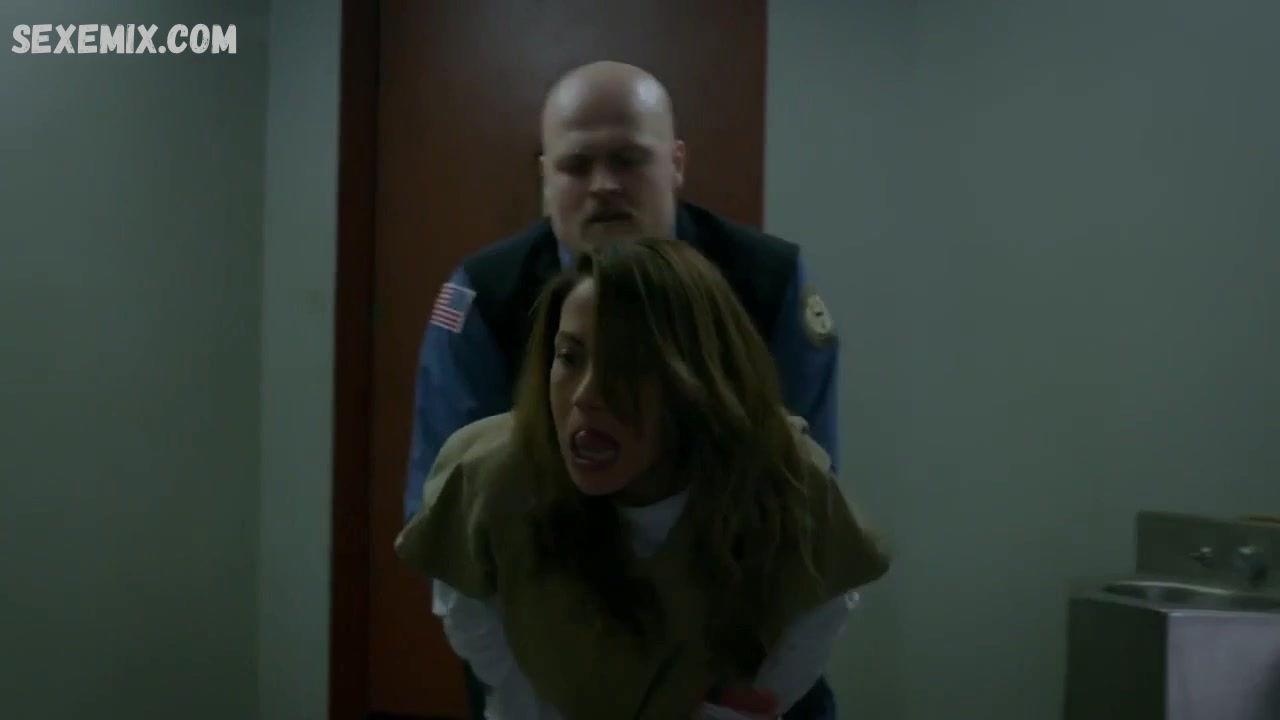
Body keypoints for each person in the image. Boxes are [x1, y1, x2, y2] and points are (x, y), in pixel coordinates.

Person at [404, 60, 842, 718]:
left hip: (743, 658)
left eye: (629, 160)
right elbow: (451, 523)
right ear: (546, 177)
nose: (604, 185)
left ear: (676, 163)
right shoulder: (482, 297)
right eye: (577, 165)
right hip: (544, 665)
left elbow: (806, 504)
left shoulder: (768, 281)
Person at [397, 236, 890, 720]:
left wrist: (737, 705)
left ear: (696, 383)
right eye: (569, 357)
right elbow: (467, 607)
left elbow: (824, 604)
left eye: (628, 365)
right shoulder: (492, 473)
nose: (586, 395)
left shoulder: (781, 474)